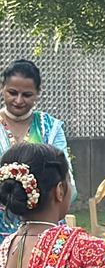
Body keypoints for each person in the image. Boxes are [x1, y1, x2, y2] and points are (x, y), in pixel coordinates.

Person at [0, 60, 74, 238]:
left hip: (43, 225)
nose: (18, 100)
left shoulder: (50, 127)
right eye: (12, 93)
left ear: (38, 93)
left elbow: (66, 177)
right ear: (2, 88)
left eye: (27, 95)